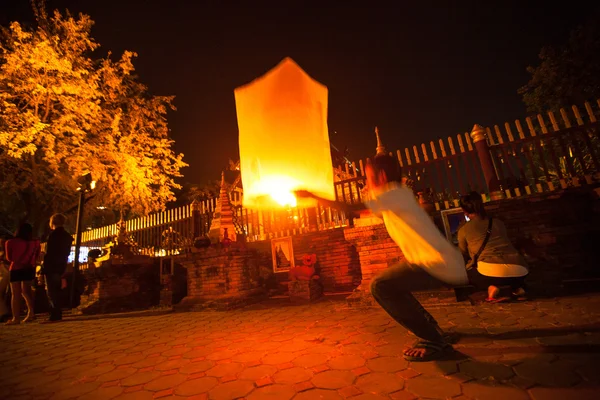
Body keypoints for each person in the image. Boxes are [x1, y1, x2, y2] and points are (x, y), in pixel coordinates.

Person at [296, 151, 467, 362]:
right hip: (435, 262)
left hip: (435, 264)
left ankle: (433, 340)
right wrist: (370, 193)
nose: (365, 183)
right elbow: (371, 210)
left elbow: (352, 209)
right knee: (395, 286)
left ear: (382, 177)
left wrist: (313, 197)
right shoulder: (397, 194)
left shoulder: (393, 193)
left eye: (368, 178)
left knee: (380, 286)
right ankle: (435, 333)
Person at [458, 192, 529, 302]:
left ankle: (494, 288)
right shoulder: (498, 223)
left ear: (465, 211)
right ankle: (517, 289)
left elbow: (462, 253)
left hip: (490, 273)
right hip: (521, 270)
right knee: (511, 277)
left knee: (469, 273)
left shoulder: (463, 230)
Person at [4, 223, 40, 324]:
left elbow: (9, 258)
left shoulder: (10, 242)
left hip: (16, 268)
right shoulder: (35, 243)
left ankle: (16, 318)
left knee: (15, 294)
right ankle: (31, 313)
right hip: (29, 268)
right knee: (26, 291)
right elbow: (36, 255)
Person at [43, 213, 73, 321]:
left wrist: (44, 266)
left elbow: (49, 253)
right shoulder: (67, 236)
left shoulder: (53, 236)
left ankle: (55, 314)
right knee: (58, 290)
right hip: (61, 264)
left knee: (51, 291)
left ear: (52, 223)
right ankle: (57, 312)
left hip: (51, 266)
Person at [0, 235, 13, 321]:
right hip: (4, 274)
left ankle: (4, 313)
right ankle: (4, 312)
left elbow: (9, 260)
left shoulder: (8, 251)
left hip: (6, 274)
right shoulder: (2, 252)